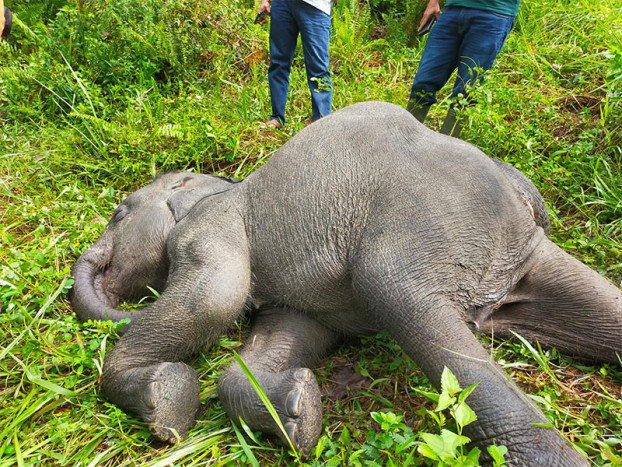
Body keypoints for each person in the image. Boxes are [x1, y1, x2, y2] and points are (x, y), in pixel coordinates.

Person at [407, 0, 519, 137]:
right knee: (423, 83)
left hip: (494, 15)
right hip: (452, 11)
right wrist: (432, 2)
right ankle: (407, 138)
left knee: (465, 92)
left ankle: (445, 150)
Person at [258, 0, 334, 129]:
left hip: (316, 6)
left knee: (318, 68)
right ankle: (276, 118)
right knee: (278, 62)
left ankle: (322, 123)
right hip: (282, 4)